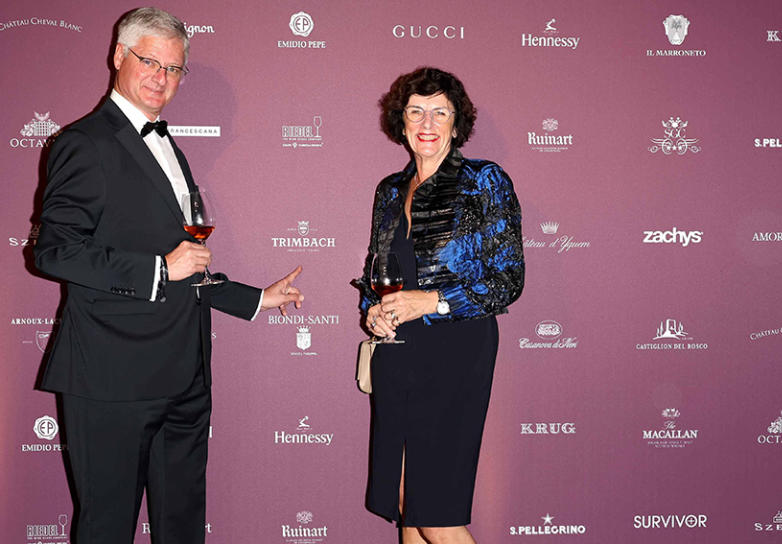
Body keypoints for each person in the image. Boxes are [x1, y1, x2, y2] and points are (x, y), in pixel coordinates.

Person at [33, 8, 304, 544]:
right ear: (118, 56)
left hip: (183, 375)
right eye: (149, 61)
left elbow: (184, 262)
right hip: (112, 379)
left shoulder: (168, 146)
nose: (162, 77)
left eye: (175, 68)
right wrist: (159, 268)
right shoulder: (84, 143)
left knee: (182, 528)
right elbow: (54, 252)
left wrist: (254, 298)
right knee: (107, 528)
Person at [359, 67, 524, 544]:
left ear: (457, 123)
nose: (426, 121)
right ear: (401, 121)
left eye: (439, 111)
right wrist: (374, 308)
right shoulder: (389, 190)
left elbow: (508, 279)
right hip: (398, 350)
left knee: (435, 512)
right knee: (409, 504)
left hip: (456, 350)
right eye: (415, 111)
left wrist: (430, 300)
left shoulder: (483, 181)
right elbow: (378, 270)